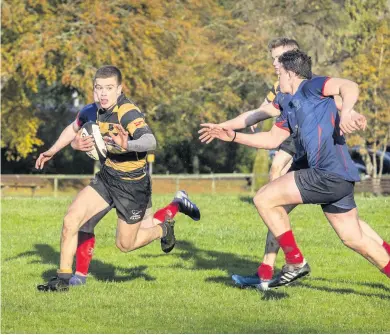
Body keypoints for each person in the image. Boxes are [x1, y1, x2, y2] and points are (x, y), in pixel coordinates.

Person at [200, 38, 390, 288]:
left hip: (327, 174)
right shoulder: (287, 103)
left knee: (264, 198)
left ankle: (294, 261)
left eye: (278, 66)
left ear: (290, 73)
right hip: (340, 179)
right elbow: (270, 139)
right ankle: (276, 267)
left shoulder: (313, 86)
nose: (274, 70)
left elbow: (349, 86)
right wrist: (233, 135)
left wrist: (347, 113)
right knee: (354, 239)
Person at [37, 65, 200, 291]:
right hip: (107, 178)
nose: (103, 94)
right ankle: (64, 280)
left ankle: (164, 228)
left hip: (133, 186)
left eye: (109, 88)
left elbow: (150, 141)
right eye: (98, 88)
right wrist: (53, 150)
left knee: (125, 244)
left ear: (119, 89)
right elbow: (73, 128)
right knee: (72, 220)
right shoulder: (90, 111)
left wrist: (127, 144)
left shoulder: (128, 112)